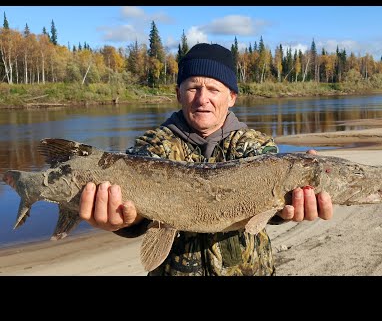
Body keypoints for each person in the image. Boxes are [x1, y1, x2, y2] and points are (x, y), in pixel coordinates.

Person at [79, 43, 333, 276]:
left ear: (231, 97)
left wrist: (295, 200)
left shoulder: (256, 147)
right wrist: (123, 219)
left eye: (213, 89)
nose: (203, 99)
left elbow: (274, 203)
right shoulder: (152, 147)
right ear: (179, 94)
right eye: (193, 88)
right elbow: (138, 215)